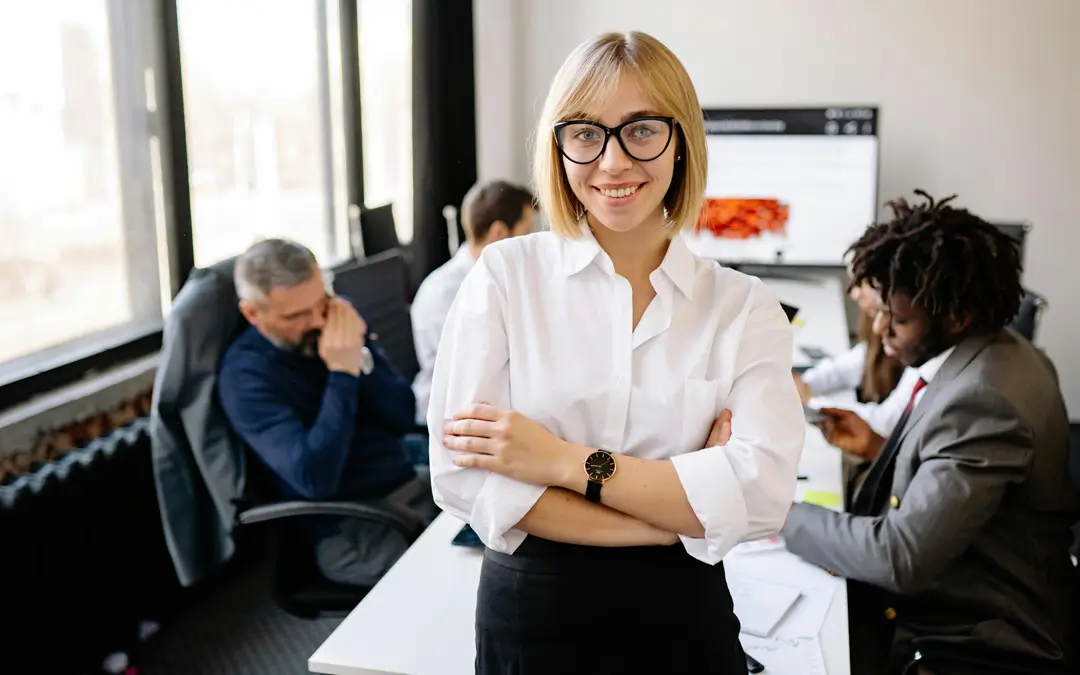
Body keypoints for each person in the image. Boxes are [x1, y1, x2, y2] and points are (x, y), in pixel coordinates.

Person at [426, 31, 804, 674]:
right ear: (560, 146)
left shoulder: (743, 306)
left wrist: (556, 459)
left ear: (681, 139)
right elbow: (462, 476)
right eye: (585, 133)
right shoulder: (504, 278)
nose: (613, 162)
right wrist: (676, 515)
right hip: (532, 612)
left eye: (641, 130)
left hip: (680, 612)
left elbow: (762, 496)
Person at [781, 192, 1080, 675]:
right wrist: (881, 450)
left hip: (978, 637)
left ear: (956, 316)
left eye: (897, 319)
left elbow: (901, 557)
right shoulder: (1001, 351)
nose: (880, 330)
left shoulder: (983, 400)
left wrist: (778, 513)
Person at [218, 238, 438, 588]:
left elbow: (400, 416)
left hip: (407, 483)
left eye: (321, 301)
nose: (318, 319)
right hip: (353, 525)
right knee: (459, 583)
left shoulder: (337, 316)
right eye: (296, 315)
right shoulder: (244, 377)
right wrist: (343, 373)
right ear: (252, 313)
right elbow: (315, 478)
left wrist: (362, 355)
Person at [411, 180, 536, 424]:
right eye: (526, 234)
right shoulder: (443, 294)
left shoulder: (507, 278)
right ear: (499, 233)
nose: (531, 244)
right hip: (451, 416)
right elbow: (470, 376)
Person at [794, 280, 905, 406]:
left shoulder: (914, 364)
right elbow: (846, 367)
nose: (855, 294)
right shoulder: (876, 337)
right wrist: (804, 384)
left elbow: (883, 420)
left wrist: (811, 401)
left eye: (862, 284)